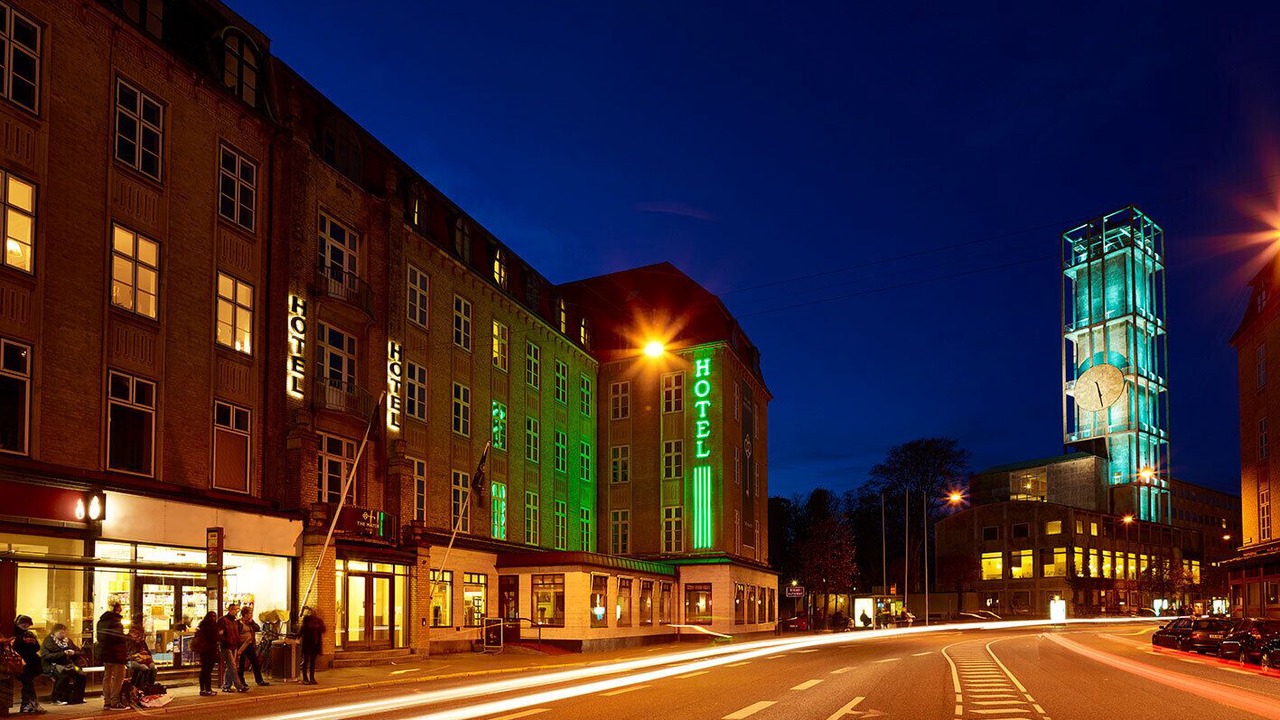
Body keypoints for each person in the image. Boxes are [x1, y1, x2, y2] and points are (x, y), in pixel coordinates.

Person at [39, 624, 86, 706]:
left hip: (68, 665)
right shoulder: (48, 641)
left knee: (81, 675)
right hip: (53, 665)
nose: (63, 635)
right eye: (61, 633)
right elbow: (46, 656)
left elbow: (78, 651)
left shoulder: (68, 641)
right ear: (55, 633)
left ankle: (77, 697)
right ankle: (56, 698)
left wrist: (73, 653)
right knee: (63, 676)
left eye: (64, 633)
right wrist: (63, 654)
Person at [96, 601, 128, 711]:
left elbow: (101, 637)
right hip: (116, 653)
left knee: (107, 677)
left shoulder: (101, 621)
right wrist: (127, 637)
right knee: (119, 677)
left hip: (105, 653)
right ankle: (115, 701)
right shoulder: (116, 622)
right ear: (117, 609)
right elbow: (117, 638)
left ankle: (107, 701)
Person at [11, 616, 42, 714]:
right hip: (21, 663)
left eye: (27, 623)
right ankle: (28, 705)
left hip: (29, 663)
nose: (25, 625)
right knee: (27, 683)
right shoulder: (13, 633)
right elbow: (13, 645)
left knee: (28, 683)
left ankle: (30, 704)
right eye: (23, 623)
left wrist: (33, 642)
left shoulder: (28, 633)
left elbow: (37, 648)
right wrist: (24, 641)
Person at [236, 607, 269, 687]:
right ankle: (241, 681)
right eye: (250, 613)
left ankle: (259, 680)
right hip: (242, 645)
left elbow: (257, 628)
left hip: (249, 644)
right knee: (241, 664)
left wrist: (251, 623)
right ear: (245, 614)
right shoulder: (238, 623)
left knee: (255, 662)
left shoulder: (250, 622)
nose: (251, 615)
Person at [218, 604, 247, 693]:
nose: (235, 611)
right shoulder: (223, 620)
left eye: (236, 609)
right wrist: (225, 641)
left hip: (234, 646)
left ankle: (226, 685)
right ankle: (239, 686)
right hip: (226, 646)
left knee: (230, 666)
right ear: (229, 610)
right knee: (233, 667)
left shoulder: (236, 621)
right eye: (233, 609)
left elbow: (238, 632)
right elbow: (219, 633)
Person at [192, 612, 220, 697]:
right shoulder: (211, 627)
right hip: (209, 650)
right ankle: (207, 689)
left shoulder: (202, 625)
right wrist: (219, 634)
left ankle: (203, 689)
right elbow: (214, 638)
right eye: (213, 616)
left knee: (204, 669)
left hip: (203, 650)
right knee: (207, 670)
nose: (214, 618)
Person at [125, 616, 156, 690]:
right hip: (130, 661)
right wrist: (135, 655)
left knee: (153, 668)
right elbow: (126, 655)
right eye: (136, 633)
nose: (138, 635)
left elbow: (148, 652)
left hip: (142, 660)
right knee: (144, 668)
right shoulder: (127, 640)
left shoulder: (141, 641)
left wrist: (146, 654)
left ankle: (149, 685)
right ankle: (136, 686)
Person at [298, 607, 325, 686]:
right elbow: (302, 630)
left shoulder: (319, 621)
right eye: (314, 612)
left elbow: (323, 630)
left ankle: (312, 678)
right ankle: (305, 678)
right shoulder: (307, 621)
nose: (315, 613)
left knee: (313, 662)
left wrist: (319, 624)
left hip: (315, 645)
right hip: (308, 644)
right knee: (306, 661)